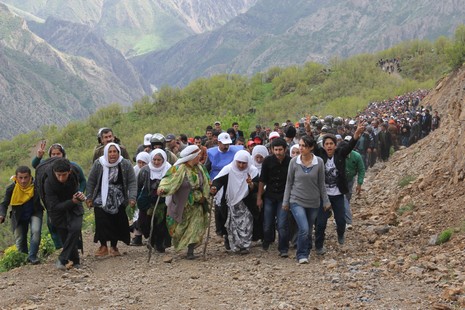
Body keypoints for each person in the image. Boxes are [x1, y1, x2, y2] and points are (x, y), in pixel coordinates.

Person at [313, 122, 364, 253]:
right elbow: (311, 145)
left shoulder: (340, 154)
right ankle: (319, 246)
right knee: (320, 223)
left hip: (338, 194)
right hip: (323, 196)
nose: (329, 146)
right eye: (326, 144)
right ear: (323, 146)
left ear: (335, 145)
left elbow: (350, 146)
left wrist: (356, 134)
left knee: (341, 220)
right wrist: (308, 130)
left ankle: (340, 234)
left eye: (331, 144)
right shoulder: (319, 156)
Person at [157, 145, 210, 259]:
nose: (199, 157)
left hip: (197, 203)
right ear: (192, 156)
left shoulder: (200, 168)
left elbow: (207, 181)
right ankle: (181, 244)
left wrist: (210, 191)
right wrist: (162, 189)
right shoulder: (178, 169)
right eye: (198, 155)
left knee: (196, 226)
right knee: (180, 229)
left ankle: (190, 251)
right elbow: (167, 180)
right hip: (182, 205)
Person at [282, 136, 330, 264]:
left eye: (304, 146)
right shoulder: (294, 162)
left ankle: (306, 250)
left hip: (313, 202)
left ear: (311, 148)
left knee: (308, 230)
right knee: (303, 228)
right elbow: (289, 183)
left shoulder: (318, 162)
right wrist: (286, 201)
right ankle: (301, 254)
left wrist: (325, 201)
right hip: (296, 200)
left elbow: (321, 184)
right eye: (300, 145)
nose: (301, 148)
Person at [32, 142, 86, 250]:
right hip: (53, 201)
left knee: (72, 223)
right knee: (52, 223)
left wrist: (79, 192)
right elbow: (36, 166)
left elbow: (83, 180)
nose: (56, 156)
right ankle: (59, 247)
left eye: (58, 154)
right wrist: (38, 156)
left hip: (70, 199)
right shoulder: (47, 167)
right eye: (53, 154)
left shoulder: (71, 166)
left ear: (63, 154)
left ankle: (73, 246)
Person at [86, 143, 137, 257]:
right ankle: (103, 246)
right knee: (101, 220)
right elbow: (91, 181)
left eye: (115, 152)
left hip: (118, 197)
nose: (113, 154)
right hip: (101, 196)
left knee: (117, 221)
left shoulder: (125, 164)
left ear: (119, 153)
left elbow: (132, 182)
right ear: (106, 153)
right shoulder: (99, 164)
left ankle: (114, 246)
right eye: (110, 152)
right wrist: (89, 197)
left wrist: (132, 198)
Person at [211, 150, 259, 254]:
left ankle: (244, 246)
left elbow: (256, 186)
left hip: (246, 203)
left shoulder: (252, 171)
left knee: (246, 224)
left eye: (244, 163)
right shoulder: (228, 169)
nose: (241, 165)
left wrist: (251, 184)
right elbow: (218, 181)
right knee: (231, 225)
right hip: (230, 202)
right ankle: (232, 242)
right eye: (239, 163)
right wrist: (214, 188)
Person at [44, 159, 86, 270]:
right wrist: (72, 201)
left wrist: (79, 196)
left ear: (69, 172)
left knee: (75, 228)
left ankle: (62, 259)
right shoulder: (48, 183)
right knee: (65, 234)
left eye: (64, 175)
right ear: (54, 172)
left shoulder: (73, 176)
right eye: (59, 175)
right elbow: (55, 207)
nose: (61, 178)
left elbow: (79, 187)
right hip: (57, 211)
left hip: (75, 206)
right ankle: (75, 261)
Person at [205, 132, 243, 248]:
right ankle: (222, 231)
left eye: (228, 144)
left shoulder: (235, 152)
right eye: (224, 144)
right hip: (218, 182)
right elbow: (206, 169)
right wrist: (208, 182)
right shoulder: (212, 153)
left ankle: (235, 234)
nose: (226, 146)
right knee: (221, 207)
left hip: (232, 182)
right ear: (219, 143)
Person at [0, 166, 43, 265]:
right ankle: (22, 259)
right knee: (20, 239)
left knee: (36, 231)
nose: (23, 181)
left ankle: (32, 257)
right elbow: (4, 203)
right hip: (18, 216)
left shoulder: (36, 186)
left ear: (30, 177)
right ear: (16, 177)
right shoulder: (11, 188)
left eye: (26, 177)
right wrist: (2, 215)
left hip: (35, 212)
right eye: (20, 178)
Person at [257, 137, 291, 257]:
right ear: (271, 150)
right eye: (275, 149)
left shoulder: (291, 162)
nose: (278, 152)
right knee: (267, 223)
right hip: (270, 196)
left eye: (280, 150)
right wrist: (259, 197)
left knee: (282, 224)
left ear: (285, 149)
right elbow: (262, 180)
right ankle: (267, 240)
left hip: (284, 197)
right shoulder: (267, 161)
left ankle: (283, 248)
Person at [136, 149, 171, 253]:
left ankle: (159, 244)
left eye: (159, 160)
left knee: (161, 224)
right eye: (154, 159)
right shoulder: (145, 170)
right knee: (144, 223)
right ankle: (151, 239)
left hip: (163, 202)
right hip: (147, 201)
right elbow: (139, 186)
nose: (156, 162)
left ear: (163, 160)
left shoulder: (169, 170)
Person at [343, 136, 365, 230]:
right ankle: (347, 220)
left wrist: (359, 183)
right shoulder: (339, 154)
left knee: (347, 198)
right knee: (343, 199)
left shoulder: (356, 156)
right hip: (339, 180)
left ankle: (342, 216)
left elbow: (361, 169)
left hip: (350, 179)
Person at [130, 151, 151, 246]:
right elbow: (132, 183)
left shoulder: (151, 169)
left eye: (144, 163)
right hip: (138, 195)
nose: (141, 165)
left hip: (148, 196)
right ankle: (137, 237)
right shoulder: (135, 169)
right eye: (139, 162)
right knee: (136, 216)